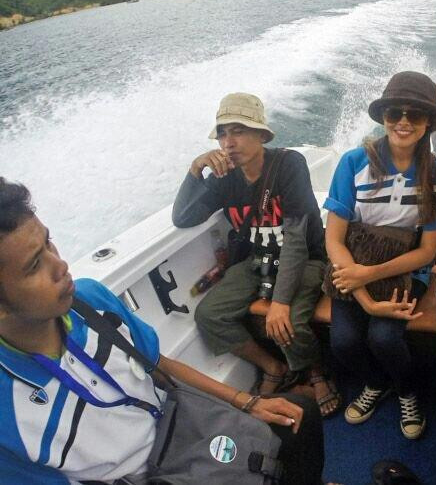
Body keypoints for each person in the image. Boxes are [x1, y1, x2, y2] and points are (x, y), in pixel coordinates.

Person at [0, 178, 326, 484]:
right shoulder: (6, 413)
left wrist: (247, 402)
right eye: (34, 266)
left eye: (49, 243)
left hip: (182, 426)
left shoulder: (89, 300)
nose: (60, 266)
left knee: (301, 416)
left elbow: (160, 366)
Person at [172, 92, 339, 415]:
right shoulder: (224, 179)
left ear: (261, 135)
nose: (228, 142)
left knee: (289, 320)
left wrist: (280, 302)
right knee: (209, 315)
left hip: (304, 257)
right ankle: (273, 367)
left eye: (238, 131)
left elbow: (296, 239)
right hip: (258, 260)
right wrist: (195, 169)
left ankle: (316, 371)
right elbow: (183, 217)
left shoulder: (289, 165)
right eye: (223, 134)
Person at [323, 71, 436, 440]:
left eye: (415, 114)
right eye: (395, 112)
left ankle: (408, 391)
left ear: (428, 123)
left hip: (407, 271)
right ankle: (376, 382)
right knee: (343, 341)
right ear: (383, 117)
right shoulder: (353, 163)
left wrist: (369, 276)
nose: (403, 122)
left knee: (384, 338)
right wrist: (364, 295)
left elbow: (427, 251)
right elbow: (334, 241)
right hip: (352, 265)